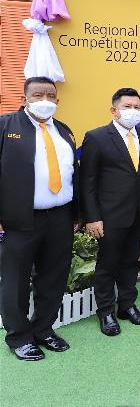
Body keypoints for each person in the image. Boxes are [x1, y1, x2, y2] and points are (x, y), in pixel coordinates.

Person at [0, 77, 79, 361]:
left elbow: (73, 173)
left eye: (50, 95)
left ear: (57, 100)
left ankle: (43, 329)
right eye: (37, 94)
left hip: (60, 217)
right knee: (15, 281)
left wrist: (76, 215)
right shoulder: (6, 126)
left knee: (53, 278)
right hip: (20, 219)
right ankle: (19, 337)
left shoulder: (64, 130)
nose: (44, 100)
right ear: (24, 98)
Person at [82, 87, 140, 336]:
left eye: (137, 107)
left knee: (130, 262)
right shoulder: (96, 137)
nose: (133, 111)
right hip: (109, 215)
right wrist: (92, 217)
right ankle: (105, 311)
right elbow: (88, 181)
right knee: (108, 264)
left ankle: (127, 305)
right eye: (127, 107)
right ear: (114, 110)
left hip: (138, 213)